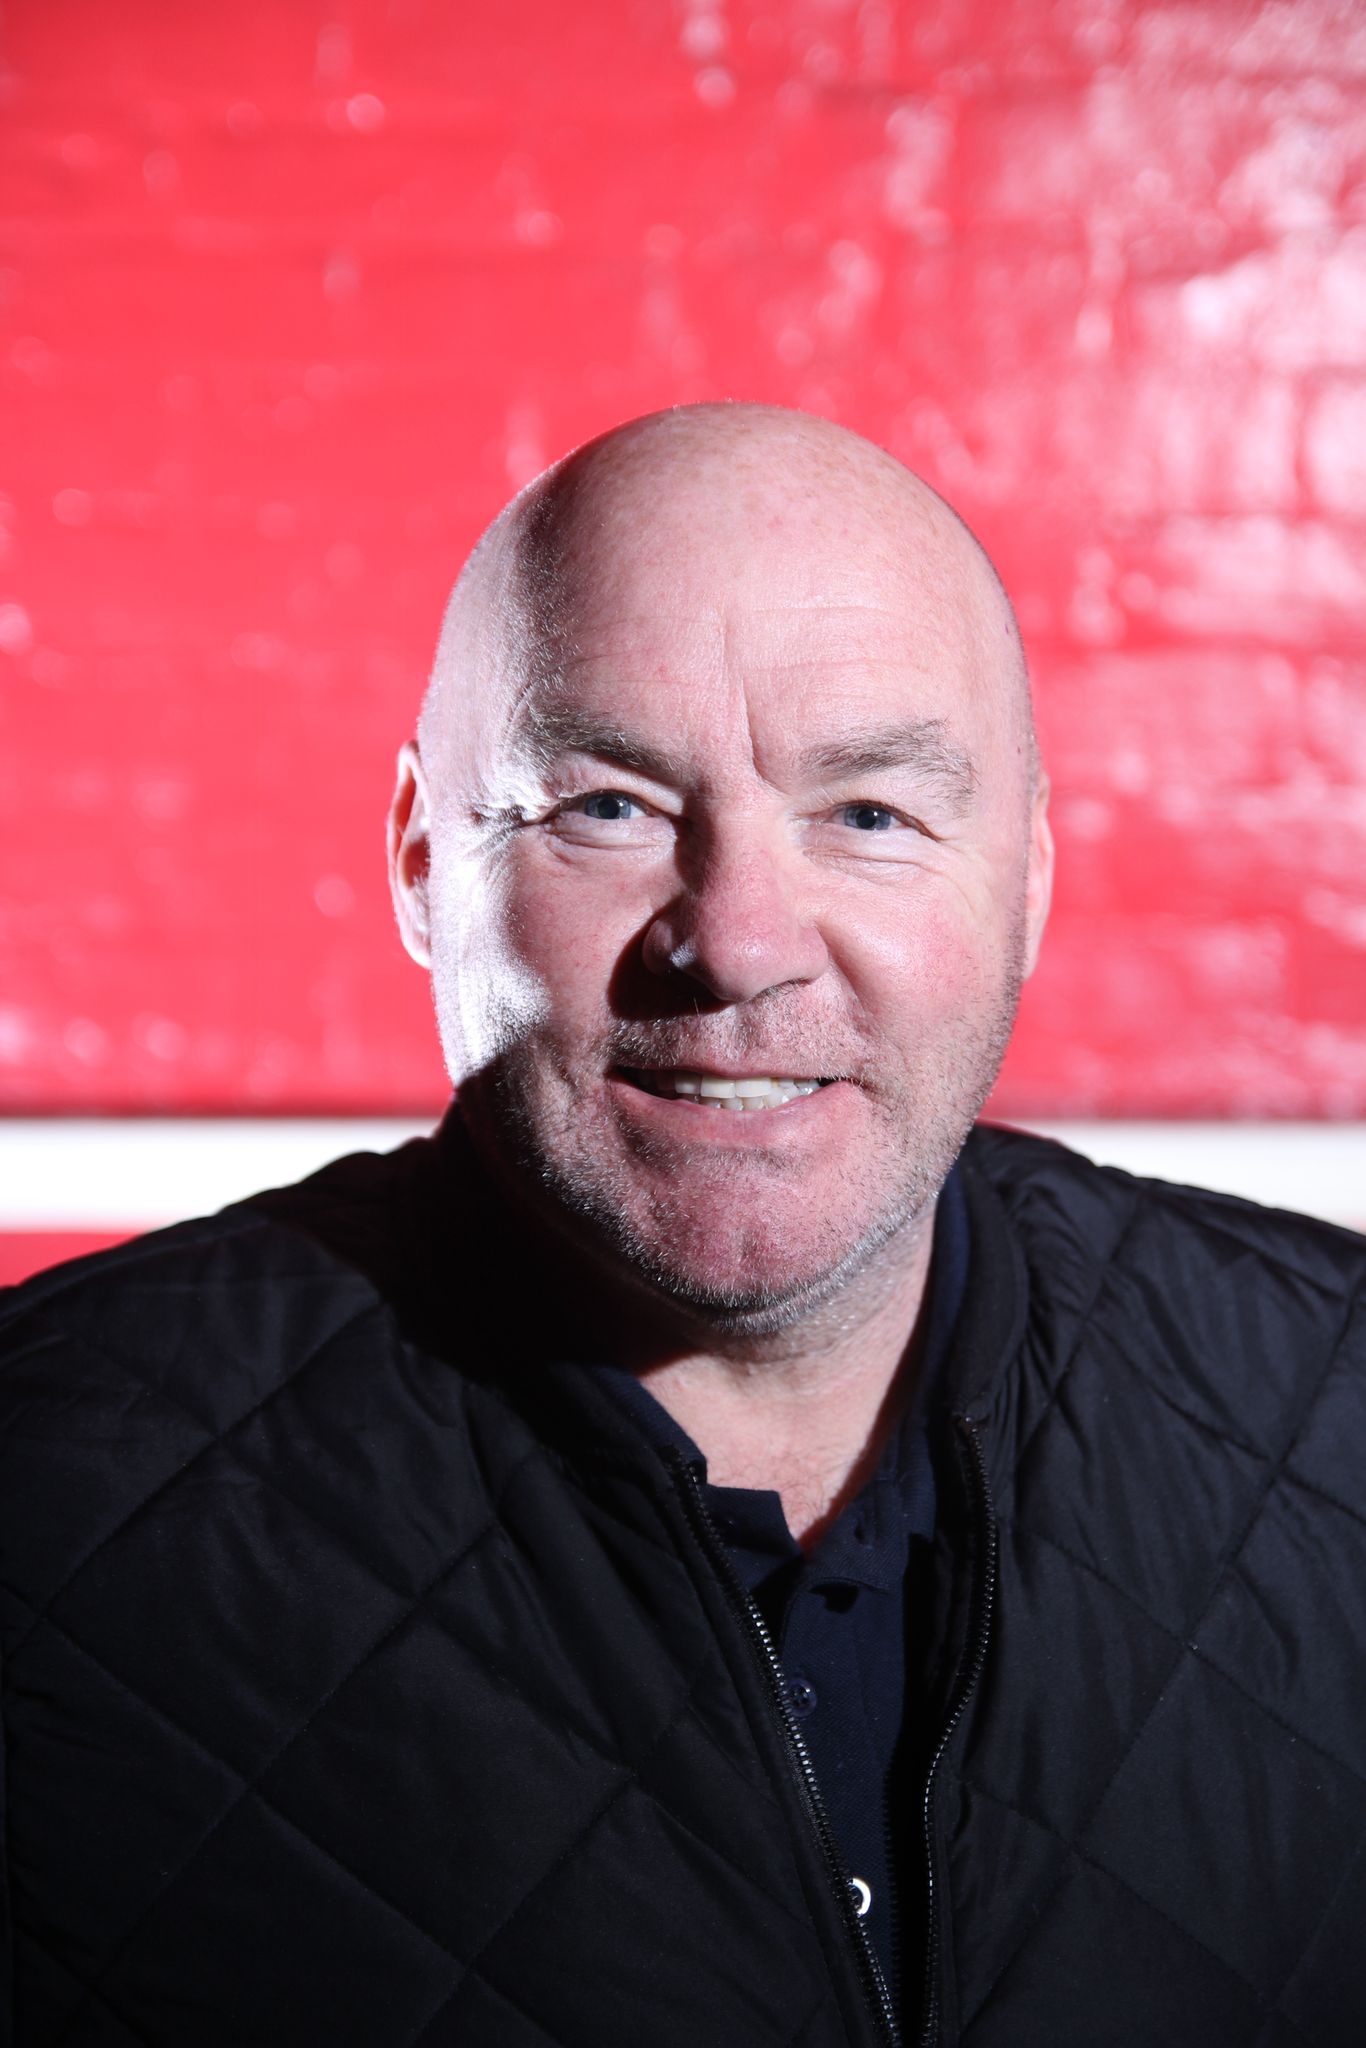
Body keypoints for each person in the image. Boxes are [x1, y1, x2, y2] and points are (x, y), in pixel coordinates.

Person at [1, 404, 1362, 2048]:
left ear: (1025, 886)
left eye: (868, 815)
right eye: (608, 806)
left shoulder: (1336, 1407)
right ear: (422, 862)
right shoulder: (49, 1496)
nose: (736, 943)